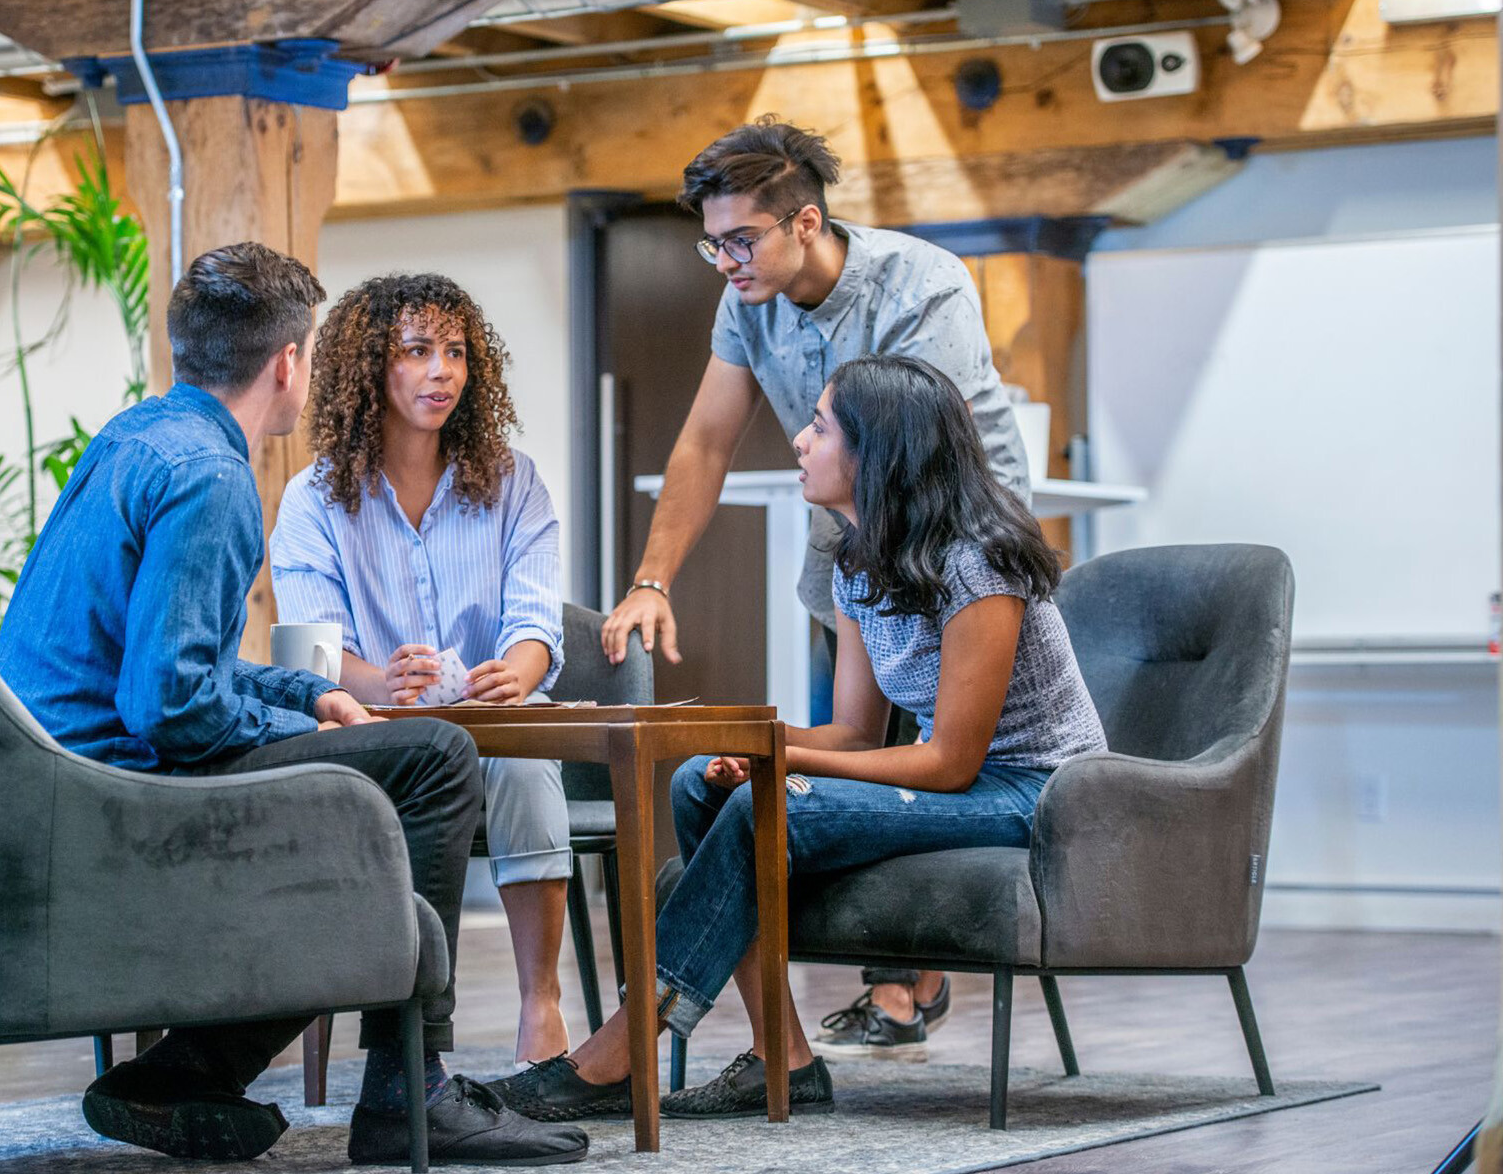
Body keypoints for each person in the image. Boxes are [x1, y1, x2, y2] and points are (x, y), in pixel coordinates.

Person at [0, 244, 587, 1167]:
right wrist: (303, 722)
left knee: (371, 796)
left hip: (60, 775)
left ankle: (186, 1073)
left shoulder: (137, 439)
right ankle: (408, 1085)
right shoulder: (216, 478)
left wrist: (305, 689)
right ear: (290, 363)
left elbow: (176, 663)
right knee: (430, 759)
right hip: (118, 791)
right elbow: (170, 705)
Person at [487, 353, 1105, 1122]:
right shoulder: (856, 558)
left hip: (1036, 790)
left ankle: (622, 1045)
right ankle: (784, 1057)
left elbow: (951, 762)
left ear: (877, 454)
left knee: (763, 802)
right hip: (972, 779)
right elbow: (852, 731)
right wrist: (748, 745)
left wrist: (773, 759)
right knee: (700, 786)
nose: (800, 443)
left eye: (820, 427)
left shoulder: (978, 562)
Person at [599, 116, 1031, 1054]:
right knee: (846, 734)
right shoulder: (745, 301)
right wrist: (651, 579)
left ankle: (901, 978)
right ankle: (778, 1049)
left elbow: (927, 451)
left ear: (804, 222)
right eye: (711, 243)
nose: (725, 260)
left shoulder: (919, 285)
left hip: (952, 536)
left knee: (926, 745)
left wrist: (786, 758)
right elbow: (706, 441)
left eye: (741, 239)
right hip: (858, 538)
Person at [270, 273, 576, 1067]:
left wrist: (517, 669)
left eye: (455, 352)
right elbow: (308, 653)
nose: (442, 370)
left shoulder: (515, 482)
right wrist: (378, 683)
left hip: (495, 720)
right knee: (431, 754)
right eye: (416, 351)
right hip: (376, 729)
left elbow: (537, 618)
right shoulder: (312, 500)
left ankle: (541, 1005)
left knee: (525, 752)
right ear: (370, 367)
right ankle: (396, 1039)